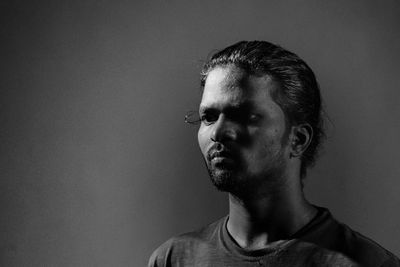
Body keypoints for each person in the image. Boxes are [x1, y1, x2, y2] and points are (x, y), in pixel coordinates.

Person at [148, 41, 400, 266]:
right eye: (209, 117)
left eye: (244, 116)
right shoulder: (174, 259)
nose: (219, 132)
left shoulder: (366, 262)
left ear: (298, 139)